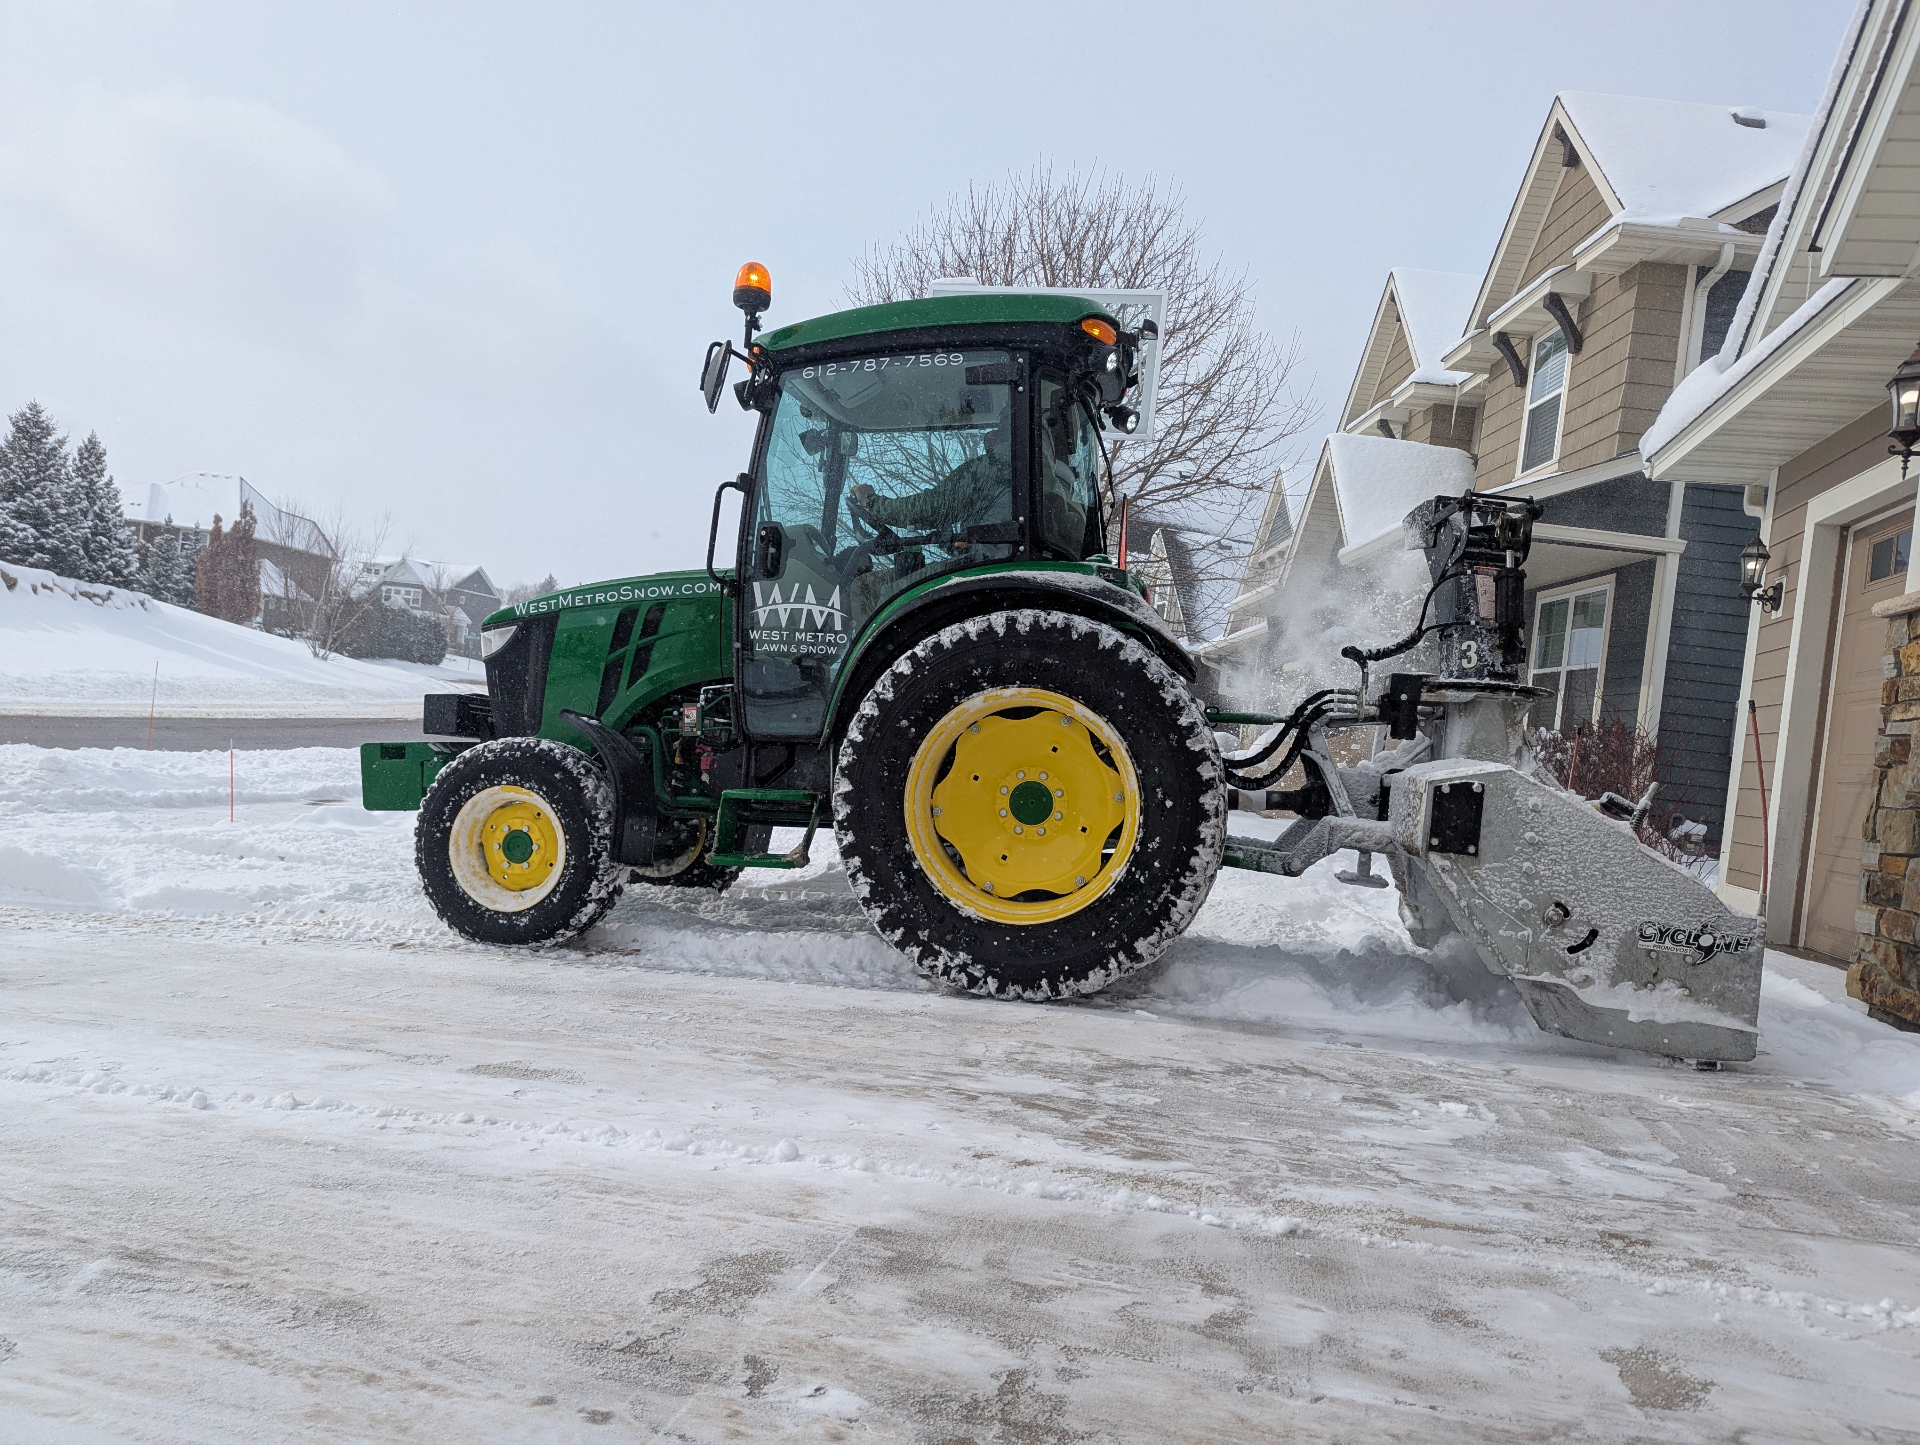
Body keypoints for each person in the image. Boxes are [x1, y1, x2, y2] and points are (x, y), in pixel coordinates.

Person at [848, 415, 1012, 536]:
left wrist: (871, 501)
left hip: (994, 566)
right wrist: (949, 545)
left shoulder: (993, 467)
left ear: (1001, 436)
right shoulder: (1023, 470)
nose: (988, 441)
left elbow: (932, 508)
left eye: (993, 435)